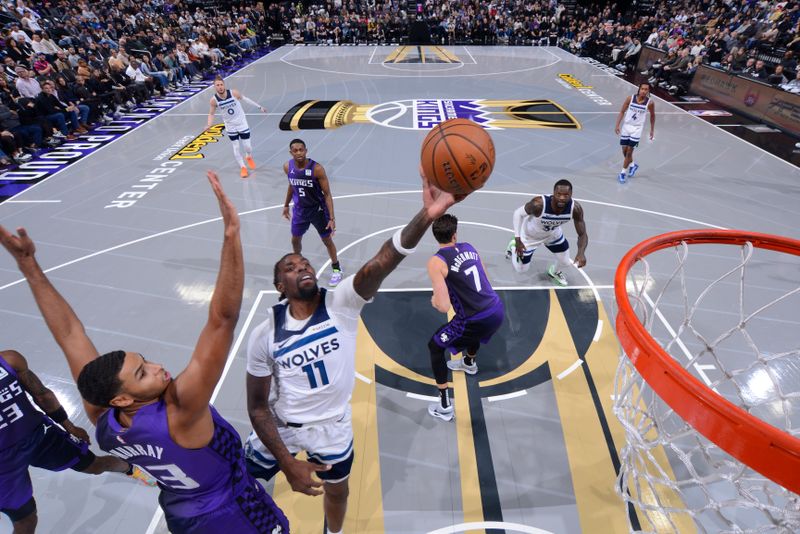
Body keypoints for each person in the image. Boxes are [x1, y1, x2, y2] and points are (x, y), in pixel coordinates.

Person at [0, 173, 289, 534]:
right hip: (233, 512)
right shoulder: (180, 412)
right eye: (142, 373)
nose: (158, 367)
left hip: (181, 514)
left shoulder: (102, 417)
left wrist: (29, 267)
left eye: (144, 361)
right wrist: (231, 235)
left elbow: (70, 335)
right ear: (122, 397)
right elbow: (222, 321)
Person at [245, 170, 460, 534]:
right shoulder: (264, 334)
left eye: (305, 264)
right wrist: (286, 462)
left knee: (339, 491)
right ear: (280, 286)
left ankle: (334, 532)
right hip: (283, 426)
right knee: (241, 484)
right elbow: (256, 407)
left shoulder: (341, 303)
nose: (303, 268)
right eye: (291, 268)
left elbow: (380, 262)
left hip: (332, 427)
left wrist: (427, 215)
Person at [0, 349, 155, 534]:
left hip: (41, 437)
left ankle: (131, 469)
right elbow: (42, 395)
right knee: (24, 520)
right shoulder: (9, 359)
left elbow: (42, 395)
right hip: (11, 457)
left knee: (94, 466)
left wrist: (69, 426)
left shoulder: (9, 360)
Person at [426, 214, 504, 421]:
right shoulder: (469, 247)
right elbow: (486, 277)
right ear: (455, 234)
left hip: (474, 319)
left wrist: (434, 301)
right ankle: (469, 362)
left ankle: (444, 405)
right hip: (496, 309)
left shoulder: (436, 261)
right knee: (474, 333)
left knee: (435, 347)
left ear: (435, 236)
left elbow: (443, 306)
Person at [505, 179, 588, 287]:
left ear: (571, 194)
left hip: (552, 235)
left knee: (565, 262)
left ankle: (554, 272)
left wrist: (581, 253)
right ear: (553, 193)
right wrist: (518, 239)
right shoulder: (538, 204)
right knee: (521, 270)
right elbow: (518, 214)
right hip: (530, 237)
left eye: (566, 195)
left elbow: (582, 234)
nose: (562, 198)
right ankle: (513, 246)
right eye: (559, 194)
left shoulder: (575, 209)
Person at [282, 138, 342, 287]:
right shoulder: (287, 167)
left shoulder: (317, 169)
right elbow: (291, 185)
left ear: (306, 150)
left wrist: (332, 217)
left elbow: (327, 194)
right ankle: (299, 266)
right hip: (300, 211)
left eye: (301, 149)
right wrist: (285, 205)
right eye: (295, 150)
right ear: (291, 153)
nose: (299, 153)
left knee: (327, 241)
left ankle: (337, 269)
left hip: (317, 210)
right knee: (295, 240)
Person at [206, 75, 266, 178]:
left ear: (224, 85)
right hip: (230, 126)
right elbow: (211, 114)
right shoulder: (213, 100)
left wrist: (259, 107)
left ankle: (248, 156)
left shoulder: (233, 93)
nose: (220, 87)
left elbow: (245, 99)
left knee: (247, 146)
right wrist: (208, 125)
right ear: (214, 87)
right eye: (217, 85)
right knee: (236, 147)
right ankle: (243, 167)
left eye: (221, 84)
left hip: (242, 123)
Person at [613, 82, 655, 183]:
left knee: (629, 152)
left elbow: (653, 116)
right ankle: (632, 165)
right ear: (639, 89)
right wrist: (617, 125)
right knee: (624, 150)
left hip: (637, 129)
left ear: (648, 91)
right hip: (626, 127)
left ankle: (622, 173)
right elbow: (622, 111)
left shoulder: (650, 103)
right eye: (642, 89)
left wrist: (652, 130)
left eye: (646, 89)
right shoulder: (630, 98)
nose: (644, 91)